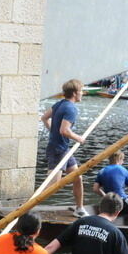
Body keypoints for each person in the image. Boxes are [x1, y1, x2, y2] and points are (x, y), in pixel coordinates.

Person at [41, 79, 87, 217]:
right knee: (52, 186)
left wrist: (52, 131)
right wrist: (79, 138)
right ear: (74, 93)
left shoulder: (59, 104)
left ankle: (79, 208)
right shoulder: (71, 108)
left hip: (62, 148)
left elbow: (44, 118)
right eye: (81, 91)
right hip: (58, 150)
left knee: (77, 177)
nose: (82, 94)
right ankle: (24, 208)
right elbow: (64, 131)